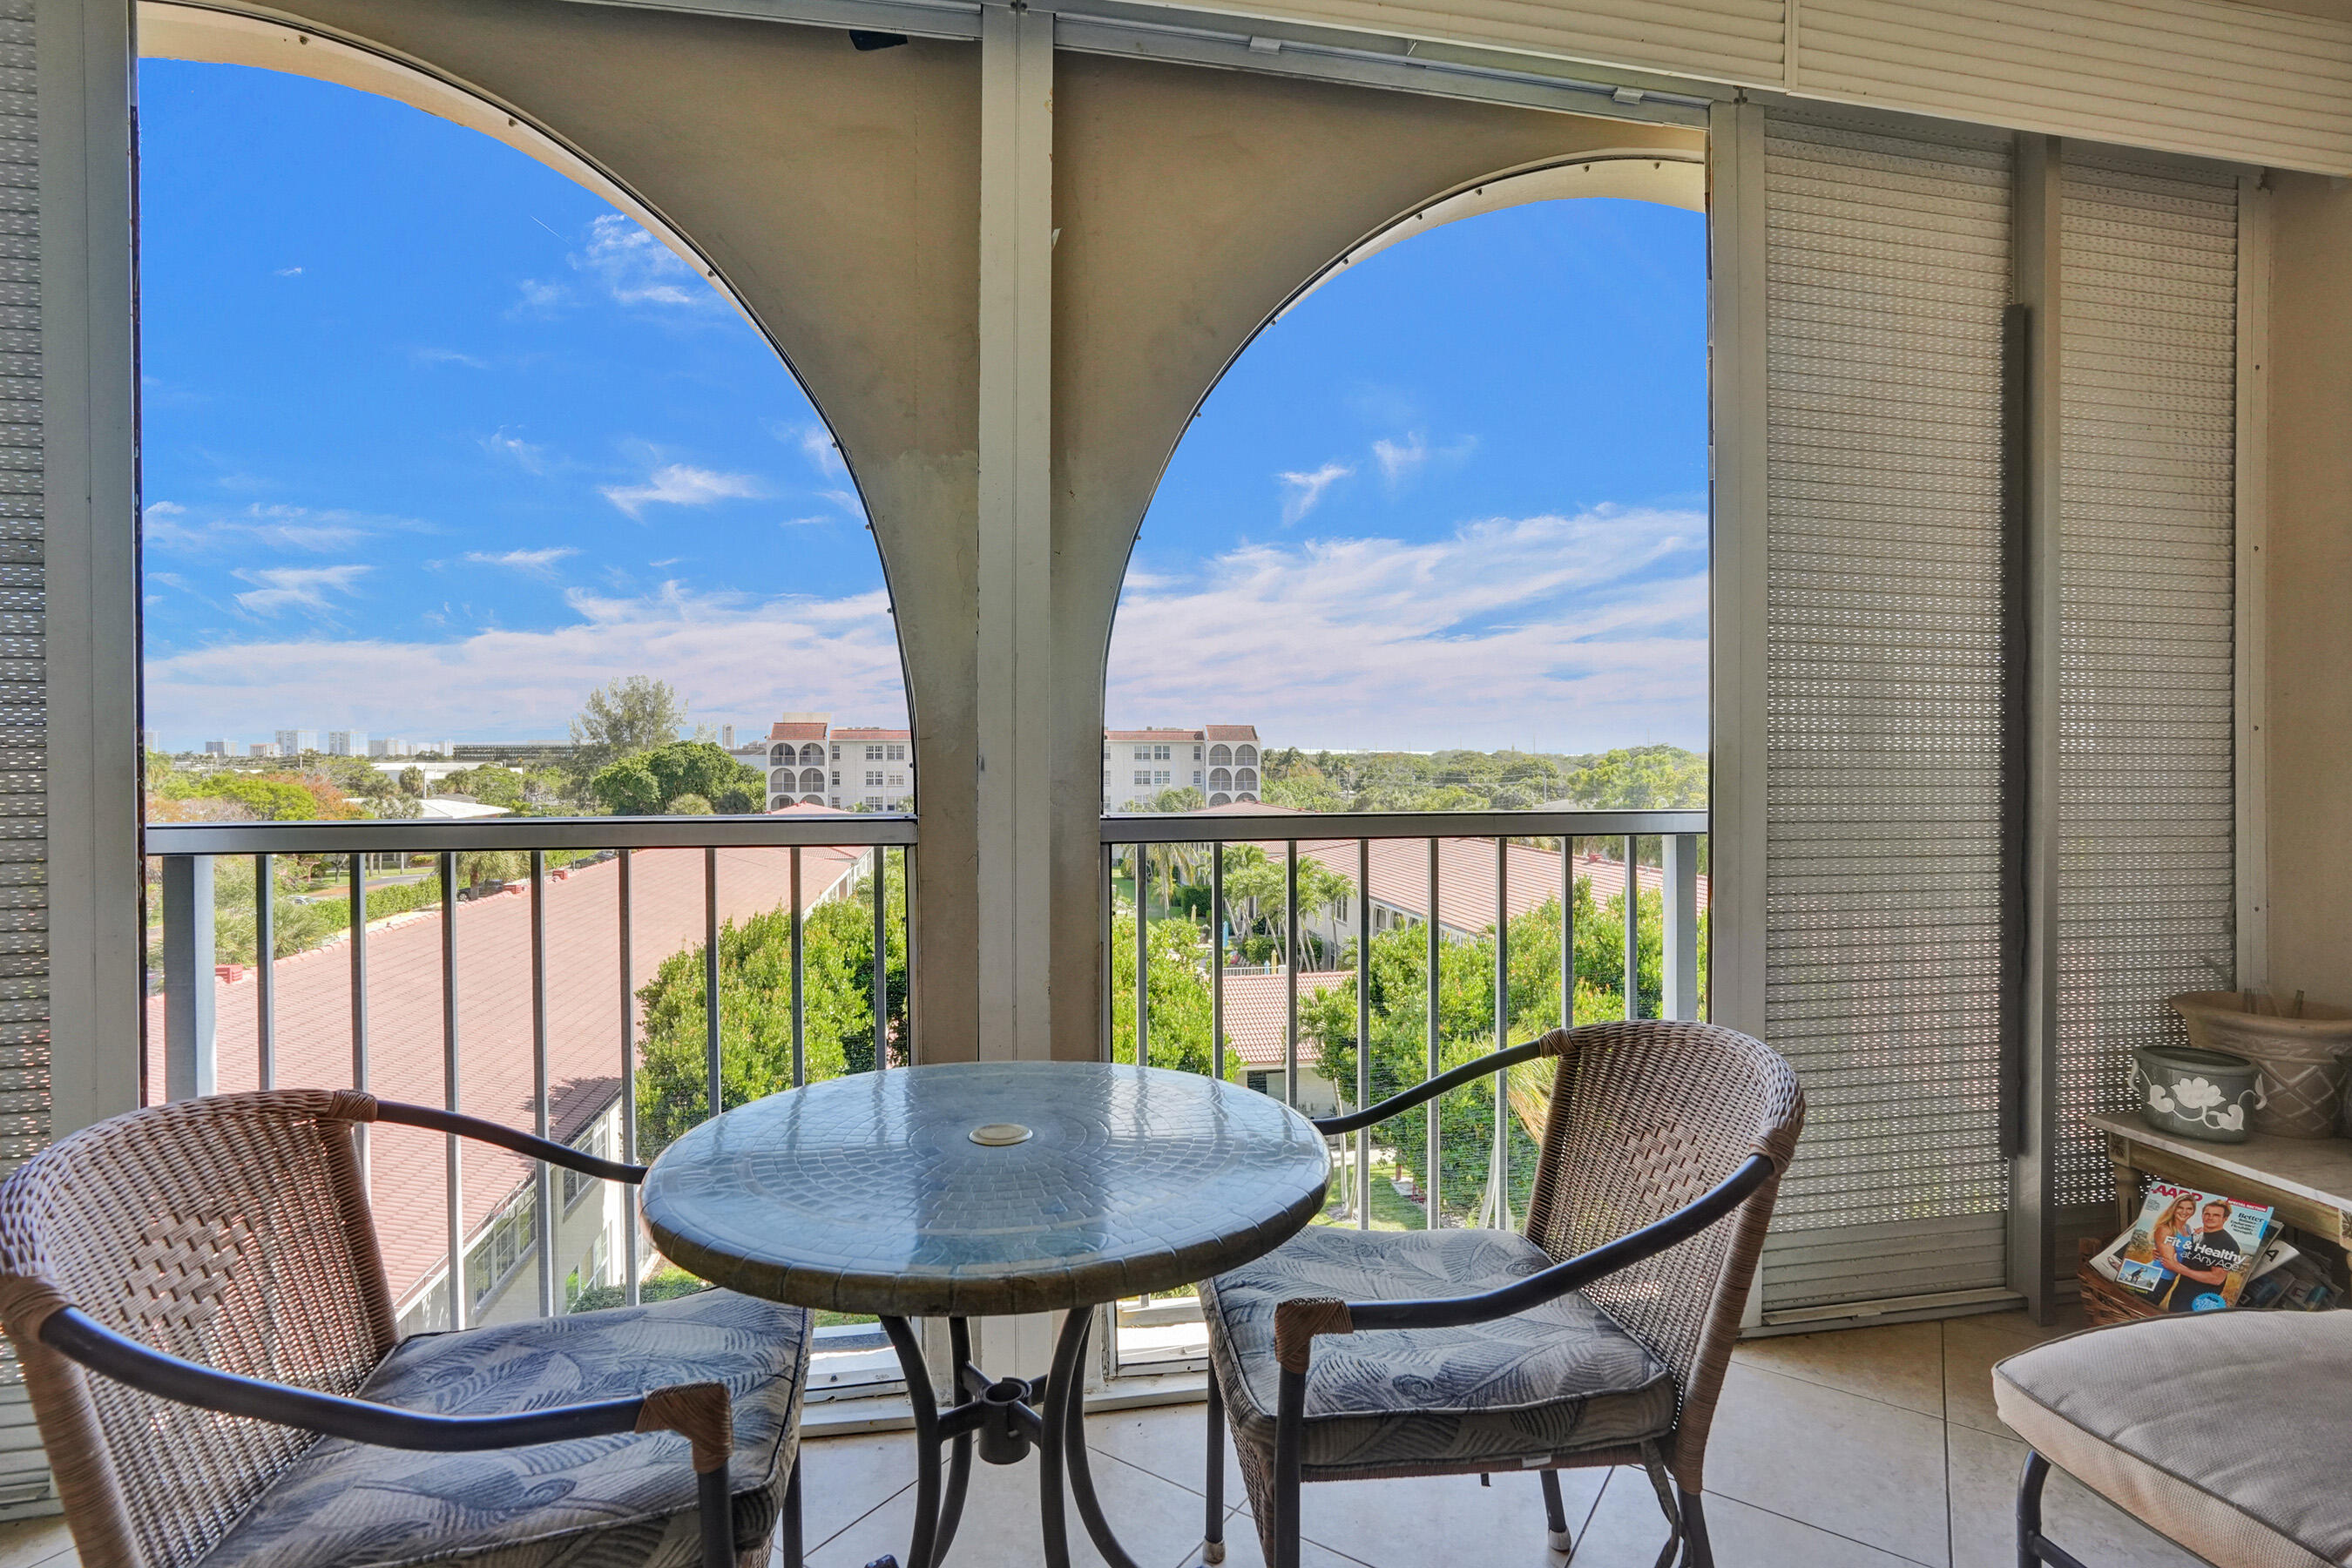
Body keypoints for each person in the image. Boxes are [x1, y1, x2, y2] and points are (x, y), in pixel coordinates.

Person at [2159, 1197, 2246, 1311]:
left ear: (2225, 1219)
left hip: (2200, 1303)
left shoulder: (2227, 1243)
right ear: (2202, 1215)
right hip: (2179, 1297)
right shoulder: (2197, 1235)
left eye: (2216, 1215)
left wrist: (2179, 1269)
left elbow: (2216, 1278)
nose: (2210, 1218)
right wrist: (2161, 1252)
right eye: (2207, 1214)